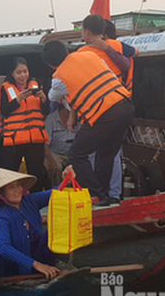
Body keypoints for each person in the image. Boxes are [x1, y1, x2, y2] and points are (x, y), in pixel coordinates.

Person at [43, 40, 134, 206]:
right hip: (125, 106)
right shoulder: (89, 55)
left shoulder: (59, 78)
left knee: (76, 154)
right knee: (105, 154)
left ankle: (97, 195)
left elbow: (53, 97)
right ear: (66, 50)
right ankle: (105, 195)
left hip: (104, 113)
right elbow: (111, 78)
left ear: (50, 65)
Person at [0, 167, 74, 278]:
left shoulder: (29, 201)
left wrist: (66, 180)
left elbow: (55, 193)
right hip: (17, 266)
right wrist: (37, 265)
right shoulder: (2, 214)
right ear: (1, 194)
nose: (17, 190)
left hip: (38, 255)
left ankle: (48, 268)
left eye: (18, 185)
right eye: (11, 187)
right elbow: (3, 248)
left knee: (53, 230)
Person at [0, 57, 50, 191]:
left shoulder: (35, 84)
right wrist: (19, 99)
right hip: (15, 139)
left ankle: (35, 200)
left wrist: (44, 98)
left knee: (36, 172)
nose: (23, 75)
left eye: (25, 71)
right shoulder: (5, 88)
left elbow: (46, 111)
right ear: (12, 74)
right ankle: (8, 200)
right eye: (19, 72)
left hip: (35, 138)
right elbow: (3, 111)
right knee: (10, 173)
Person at [78, 14, 131, 82]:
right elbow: (127, 65)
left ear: (87, 32)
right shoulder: (117, 44)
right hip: (118, 90)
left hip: (95, 91)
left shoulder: (81, 53)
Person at [44, 103, 76, 186]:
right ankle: (57, 189)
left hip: (73, 153)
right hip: (55, 152)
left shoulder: (77, 118)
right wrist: (50, 160)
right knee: (56, 167)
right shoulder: (50, 119)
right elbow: (46, 144)